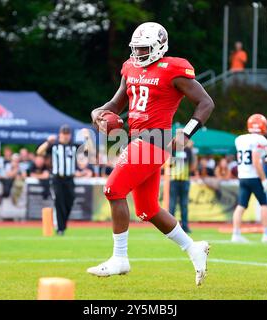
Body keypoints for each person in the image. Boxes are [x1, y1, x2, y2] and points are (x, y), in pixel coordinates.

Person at [89, 22, 215, 286]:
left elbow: (206, 102)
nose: (139, 54)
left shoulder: (173, 69)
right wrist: (97, 113)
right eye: (135, 49)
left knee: (113, 190)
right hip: (137, 140)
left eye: (144, 49)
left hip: (155, 140)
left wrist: (188, 132)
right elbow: (114, 104)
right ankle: (193, 248)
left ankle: (120, 258)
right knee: (147, 209)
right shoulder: (130, 67)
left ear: (159, 46)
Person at [231, 114, 267, 243]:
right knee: (264, 204)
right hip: (254, 177)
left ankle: (236, 234)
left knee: (241, 205)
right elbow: (256, 161)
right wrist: (264, 179)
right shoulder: (260, 140)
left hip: (243, 176)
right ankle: (266, 234)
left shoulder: (240, 139)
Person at [37, 125, 92, 236]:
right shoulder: (54, 146)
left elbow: (88, 150)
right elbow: (39, 152)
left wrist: (87, 137)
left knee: (70, 201)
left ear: (70, 135)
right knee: (59, 202)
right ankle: (60, 228)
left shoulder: (74, 146)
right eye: (63, 134)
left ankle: (62, 224)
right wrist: (48, 141)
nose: (65, 136)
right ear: (60, 134)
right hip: (57, 178)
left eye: (67, 134)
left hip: (69, 179)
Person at [169, 137, 196, 233]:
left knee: (183, 205)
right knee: (172, 205)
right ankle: (169, 226)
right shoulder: (173, 150)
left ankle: (185, 226)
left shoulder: (188, 150)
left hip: (184, 180)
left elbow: (193, 166)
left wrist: (192, 149)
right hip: (174, 180)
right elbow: (169, 163)